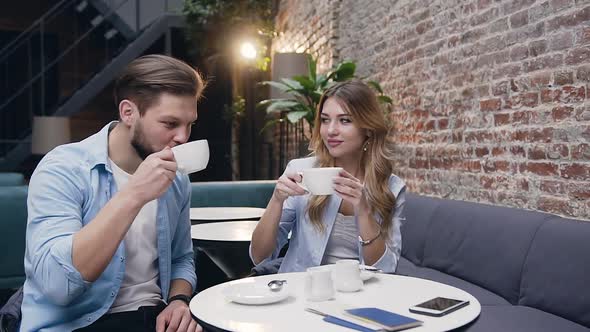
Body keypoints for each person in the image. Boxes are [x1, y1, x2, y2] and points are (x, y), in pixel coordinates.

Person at [20, 55, 205, 332]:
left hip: (151, 318)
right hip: (77, 323)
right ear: (128, 113)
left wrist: (179, 300)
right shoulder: (63, 169)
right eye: (170, 124)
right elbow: (58, 285)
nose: (182, 137)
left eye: (189, 124)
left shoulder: (176, 179)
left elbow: (182, 259)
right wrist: (133, 195)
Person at [250, 79, 406, 274]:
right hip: (302, 292)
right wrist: (276, 200)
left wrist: (364, 211)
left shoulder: (391, 187)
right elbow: (259, 256)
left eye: (345, 120)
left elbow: (385, 268)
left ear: (368, 128)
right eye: (325, 120)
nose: (331, 130)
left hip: (358, 294)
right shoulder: (301, 171)